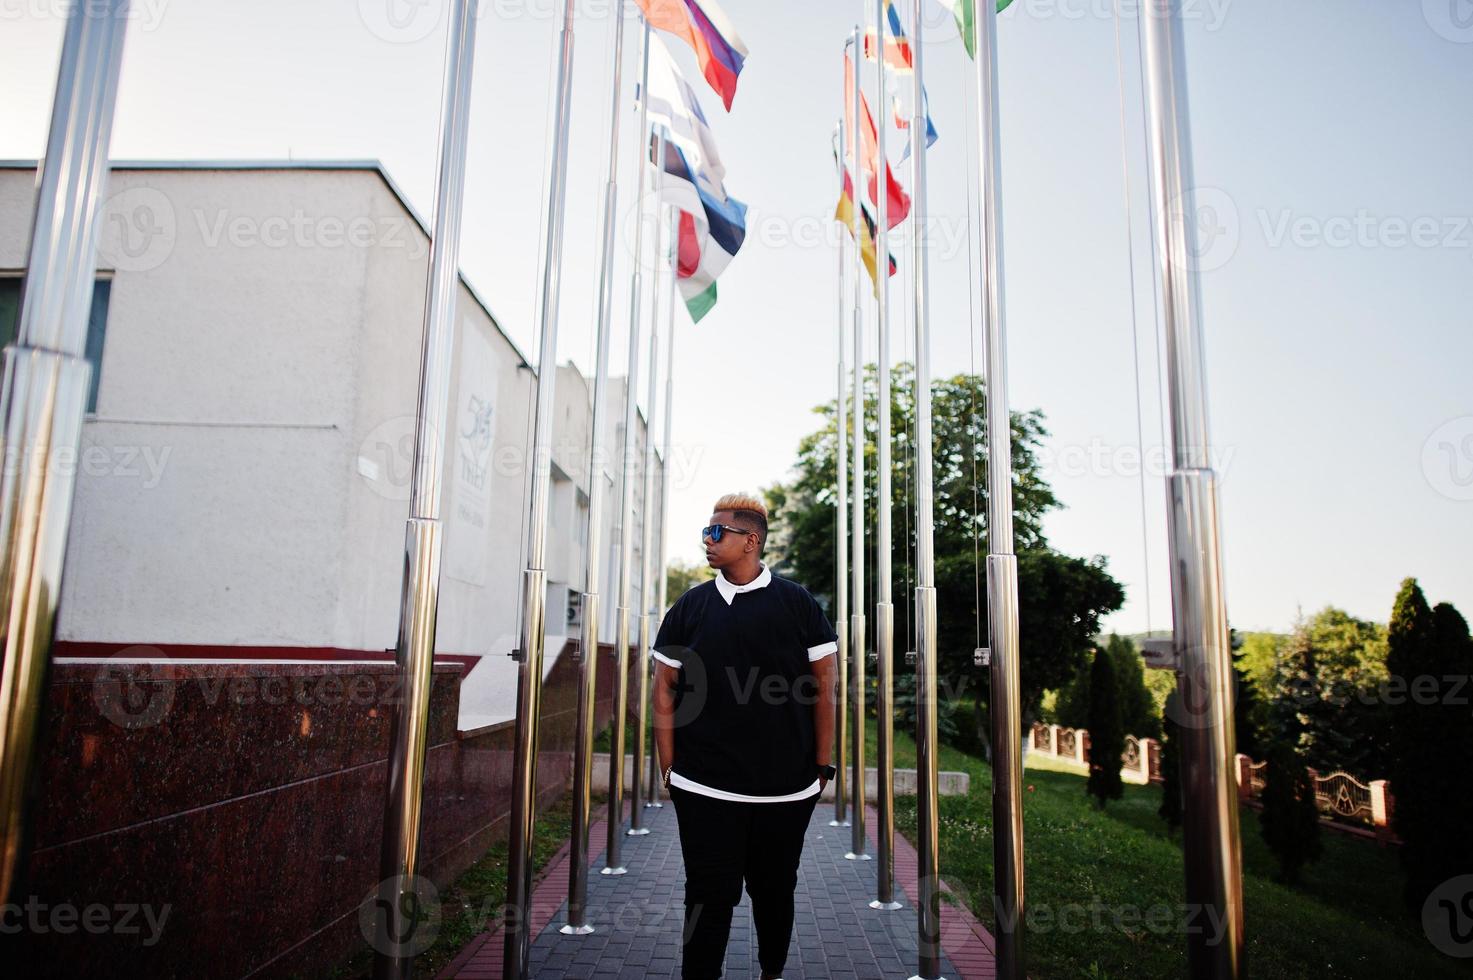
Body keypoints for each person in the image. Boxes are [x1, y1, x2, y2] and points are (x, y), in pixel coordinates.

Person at [652, 492, 838, 980]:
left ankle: (771, 973)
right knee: (708, 895)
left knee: (775, 892)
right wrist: (669, 769)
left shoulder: (797, 604)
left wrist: (821, 767)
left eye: (717, 533)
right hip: (704, 787)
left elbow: (825, 688)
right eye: (705, 533)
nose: (707, 542)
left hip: (787, 789)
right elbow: (664, 689)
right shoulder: (690, 606)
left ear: (750, 540)